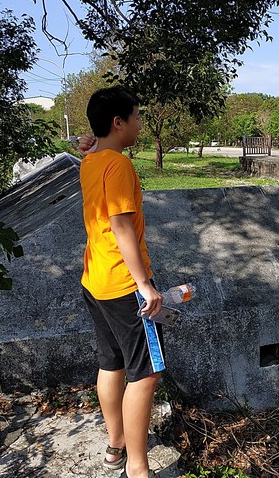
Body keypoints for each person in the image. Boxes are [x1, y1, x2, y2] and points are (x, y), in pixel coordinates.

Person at [80, 86, 164, 478]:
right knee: (146, 373)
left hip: (94, 279)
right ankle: (138, 468)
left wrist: (92, 142)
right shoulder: (118, 165)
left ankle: (116, 446)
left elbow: (90, 149)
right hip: (122, 285)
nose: (140, 123)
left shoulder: (91, 160)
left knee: (110, 363)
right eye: (136, 116)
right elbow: (121, 224)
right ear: (119, 122)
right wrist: (144, 284)